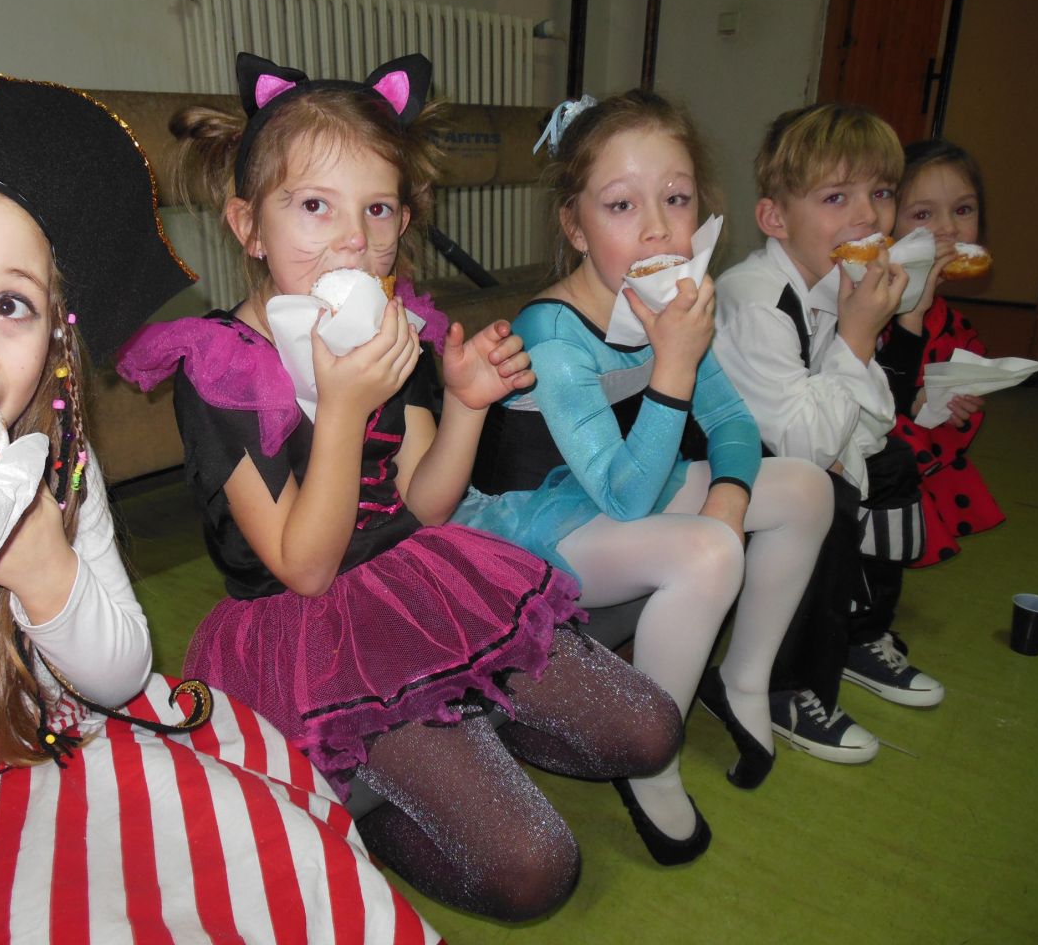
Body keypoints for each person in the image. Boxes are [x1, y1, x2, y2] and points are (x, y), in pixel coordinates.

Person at [0, 44, 442, 943]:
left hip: (66, 743)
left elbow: (121, 672)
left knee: (270, 869)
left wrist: (48, 572)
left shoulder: (50, 462)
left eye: (10, 304)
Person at [115, 53, 681, 921]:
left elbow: (424, 504)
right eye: (314, 206)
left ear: (401, 221)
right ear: (249, 226)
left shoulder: (395, 326)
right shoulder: (220, 365)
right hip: (307, 627)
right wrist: (342, 408)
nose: (352, 238)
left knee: (649, 731)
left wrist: (465, 406)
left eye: (376, 209)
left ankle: (460, 717)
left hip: (418, 580)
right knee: (534, 872)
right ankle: (374, 808)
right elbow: (304, 566)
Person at [454, 89, 833, 864]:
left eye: (676, 198)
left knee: (804, 489)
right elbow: (622, 498)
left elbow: (732, 425)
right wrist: (674, 366)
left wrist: (727, 496)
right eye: (622, 205)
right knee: (709, 554)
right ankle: (648, 753)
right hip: (526, 527)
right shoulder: (551, 330)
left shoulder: (669, 298)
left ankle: (743, 679)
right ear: (575, 226)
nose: (657, 227)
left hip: (621, 488)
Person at [713, 104, 945, 771]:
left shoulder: (837, 283)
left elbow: (876, 418)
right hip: (722, 466)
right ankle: (784, 682)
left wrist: (899, 324)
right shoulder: (757, 298)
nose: (869, 217)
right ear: (775, 219)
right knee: (830, 496)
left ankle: (859, 634)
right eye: (836, 198)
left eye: (882, 193)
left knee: (892, 464)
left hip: (796, 441)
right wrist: (858, 335)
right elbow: (802, 448)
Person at [877, 139, 1004, 566]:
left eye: (963, 210)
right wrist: (910, 400)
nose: (948, 228)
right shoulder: (873, 301)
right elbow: (873, 386)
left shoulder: (950, 321)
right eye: (923, 214)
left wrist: (946, 402)